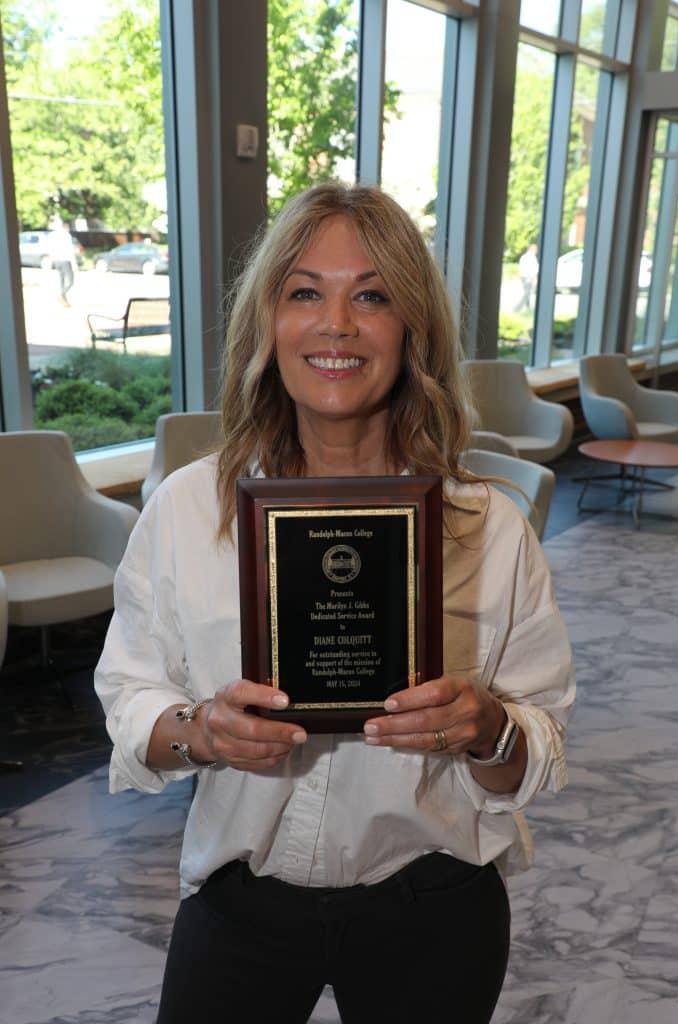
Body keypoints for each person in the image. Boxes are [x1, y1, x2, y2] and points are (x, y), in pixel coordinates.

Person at [94, 183, 574, 1024]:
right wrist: (201, 731)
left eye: (373, 297)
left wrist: (487, 727)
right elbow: (131, 697)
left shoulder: (487, 527)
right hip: (240, 898)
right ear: (268, 320)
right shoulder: (186, 510)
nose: (337, 325)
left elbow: (535, 746)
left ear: (413, 328)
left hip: (435, 905)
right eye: (305, 293)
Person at [47, 216, 77, 306]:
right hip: (65, 260)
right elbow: (70, 249)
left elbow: (50, 249)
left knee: (62, 281)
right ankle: (61, 295)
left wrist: (51, 260)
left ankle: (64, 301)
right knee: (71, 281)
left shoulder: (51, 235)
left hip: (56, 261)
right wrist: (74, 263)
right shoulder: (66, 235)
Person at [517, 241, 538, 312]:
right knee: (527, 293)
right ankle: (517, 308)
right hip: (529, 277)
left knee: (527, 292)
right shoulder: (532, 257)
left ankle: (528, 308)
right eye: (535, 249)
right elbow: (533, 269)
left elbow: (521, 267)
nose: (536, 251)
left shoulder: (524, 257)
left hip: (523, 277)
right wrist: (534, 279)